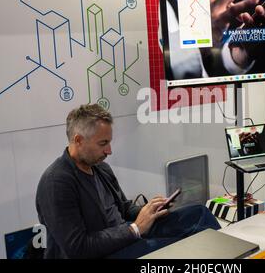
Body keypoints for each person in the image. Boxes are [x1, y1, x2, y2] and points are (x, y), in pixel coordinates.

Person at [36, 104, 220, 259]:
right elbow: (78, 248)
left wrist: (150, 211)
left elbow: (124, 209)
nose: (109, 151)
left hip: (126, 235)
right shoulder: (56, 183)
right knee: (182, 250)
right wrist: (135, 229)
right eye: (103, 143)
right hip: (104, 252)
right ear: (78, 140)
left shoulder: (101, 168)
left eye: (109, 142)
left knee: (199, 214)